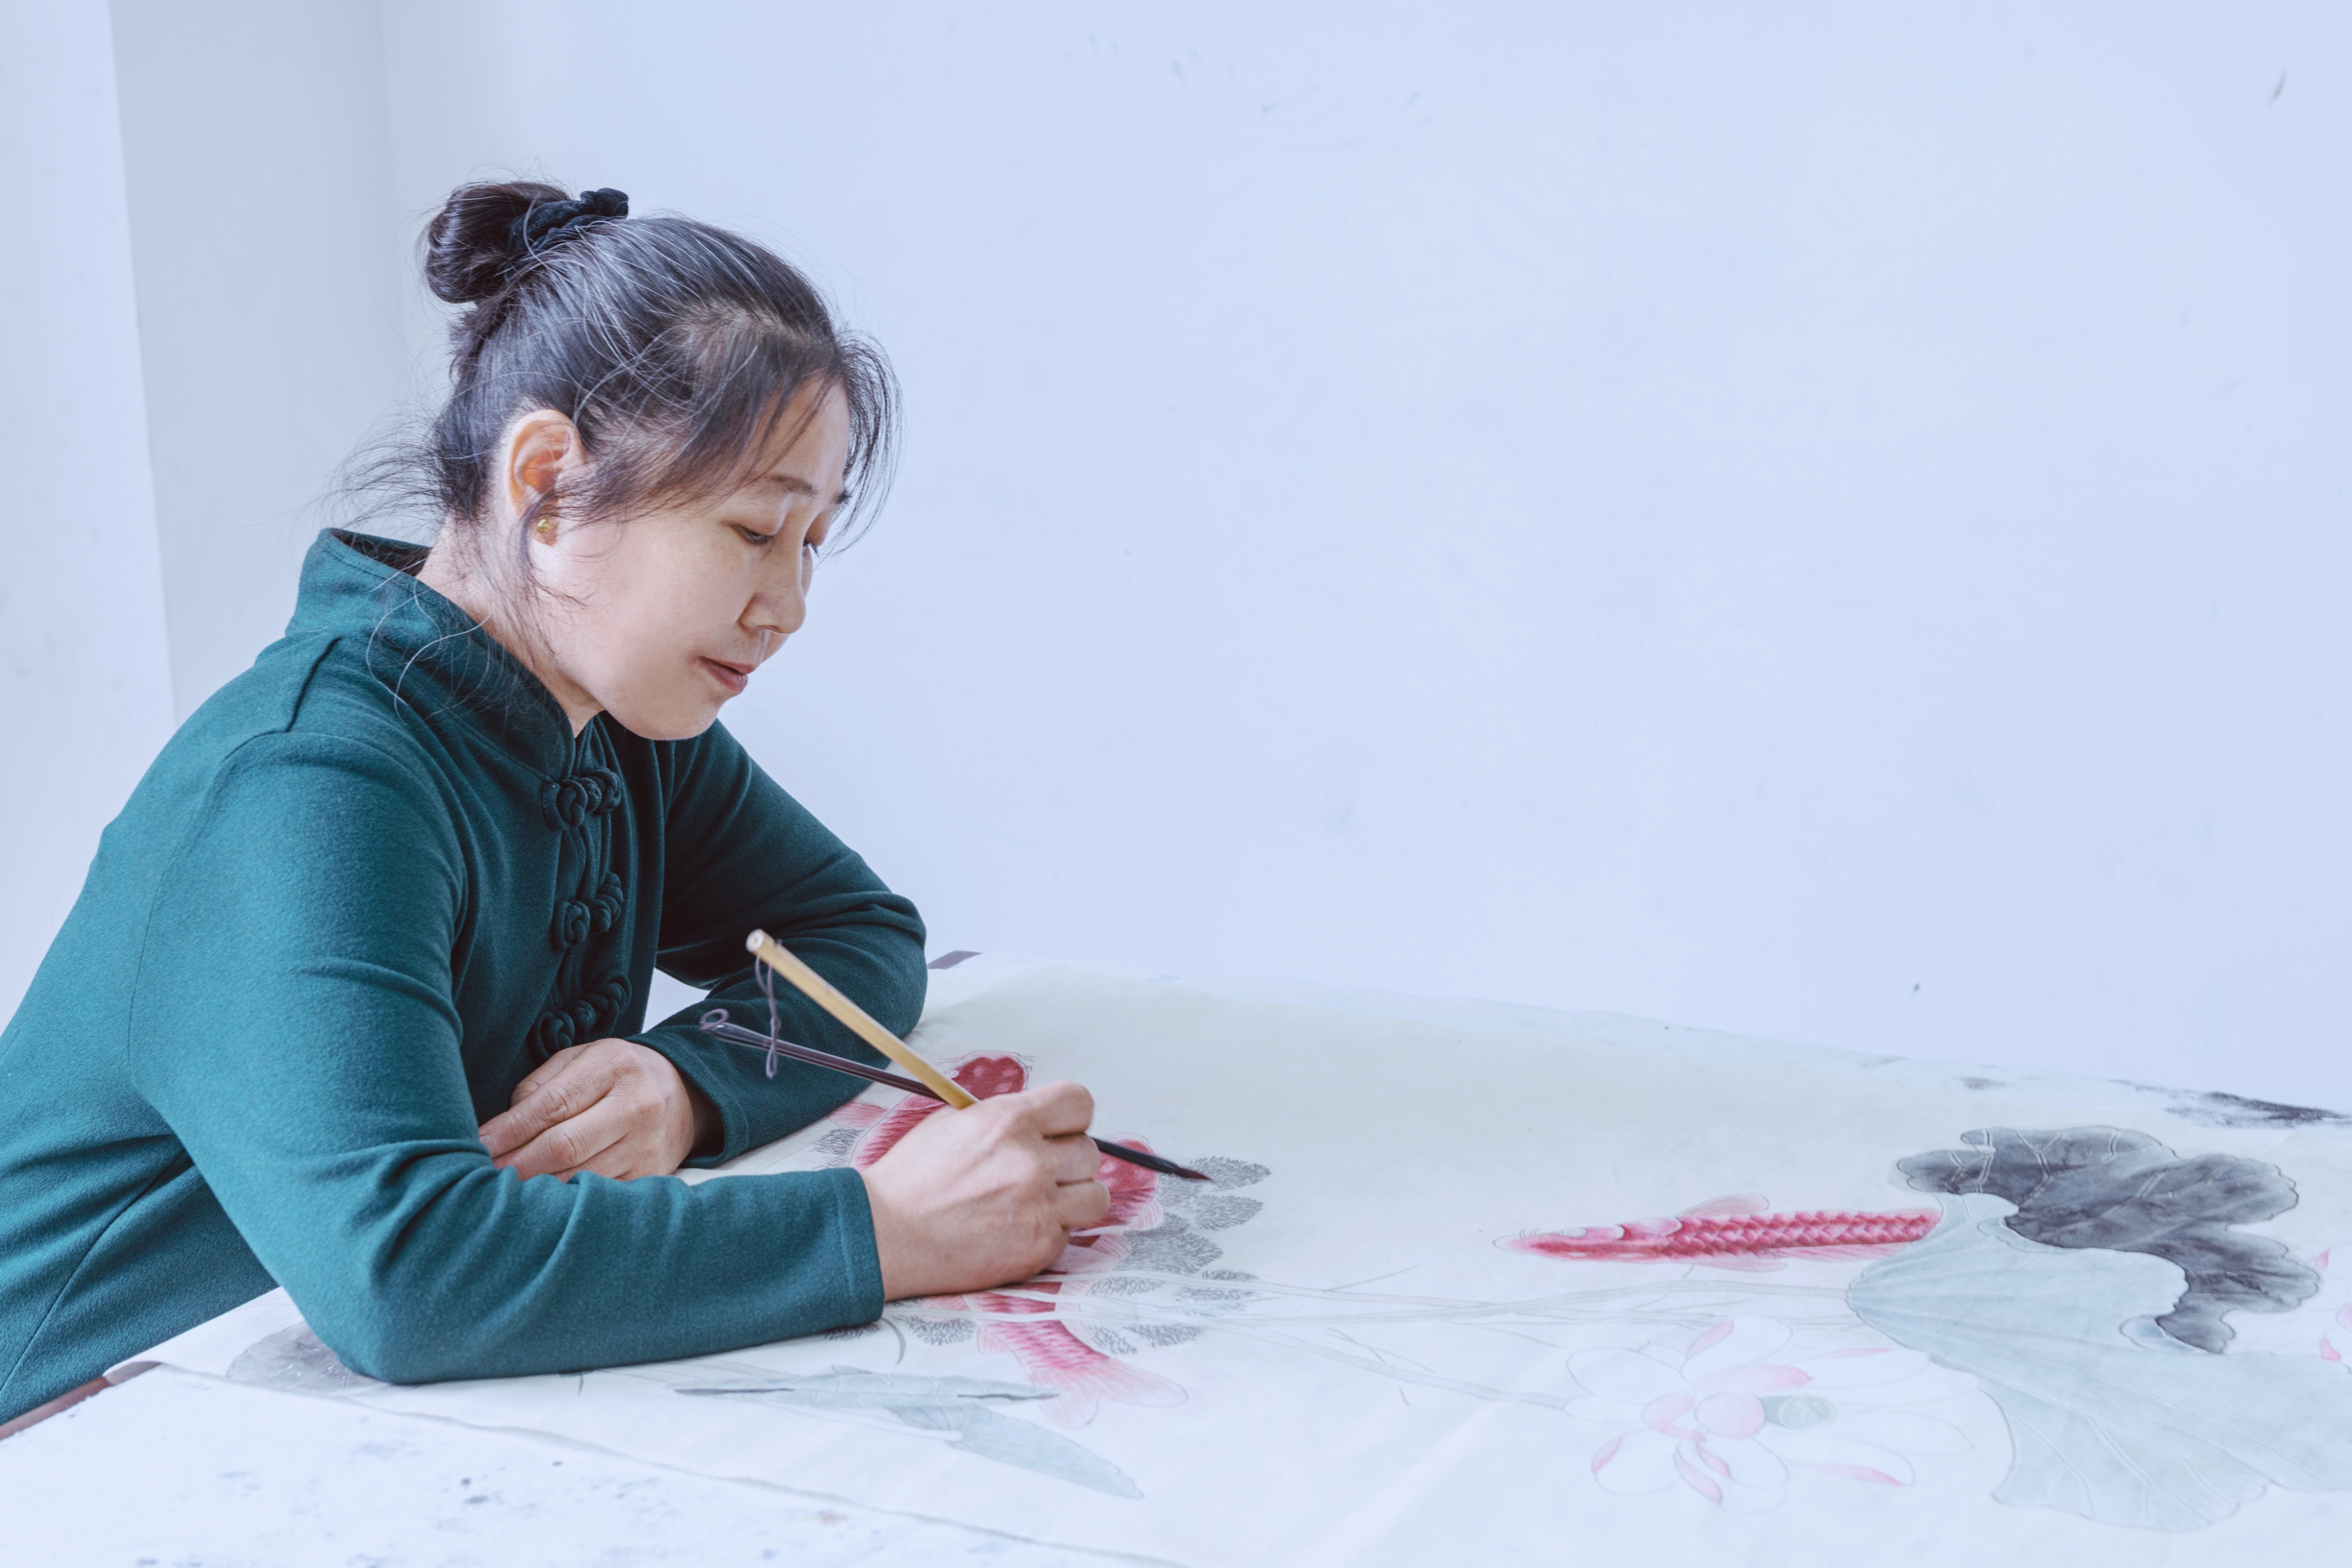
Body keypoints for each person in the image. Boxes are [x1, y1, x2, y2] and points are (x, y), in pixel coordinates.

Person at [0, 183, 1108, 1429]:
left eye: (811, 541)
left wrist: (684, 1087)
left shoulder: (615, 721)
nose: (789, 607)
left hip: (298, 1413)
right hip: (69, 1441)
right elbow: (409, 1277)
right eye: (753, 530)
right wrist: (888, 1228)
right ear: (546, 480)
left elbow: (855, 936)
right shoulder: (308, 782)